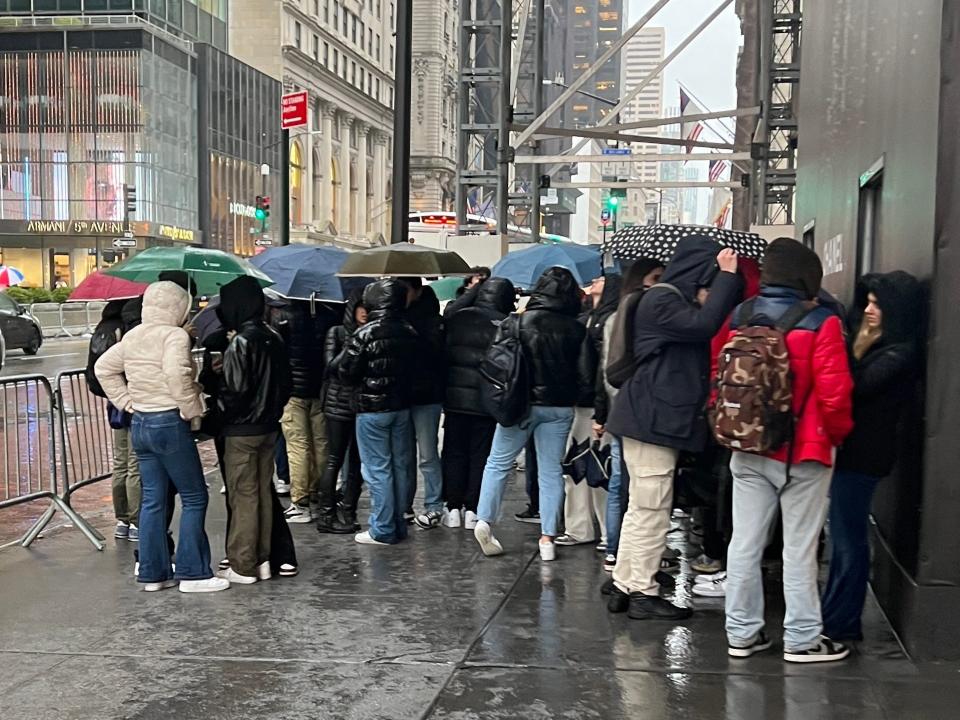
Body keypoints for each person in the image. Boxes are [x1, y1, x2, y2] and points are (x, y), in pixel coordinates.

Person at [722, 238, 854, 663]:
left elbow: (717, 373)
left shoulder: (740, 315)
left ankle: (741, 633)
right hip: (805, 453)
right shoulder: (822, 322)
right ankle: (802, 639)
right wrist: (835, 437)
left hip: (747, 447)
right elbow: (835, 395)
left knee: (744, 543)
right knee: (799, 548)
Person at [605, 238, 741, 620]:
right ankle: (643, 592)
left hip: (647, 418)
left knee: (642, 507)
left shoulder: (663, 300)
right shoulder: (663, 301)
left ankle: (625, 583)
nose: (710, 292)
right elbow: (704, 326)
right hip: (652, 421)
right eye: (709, 282)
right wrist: (729, 277)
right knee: (651, 507)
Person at [96, 280, 229, 593]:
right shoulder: (174, 335)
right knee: (195, 496)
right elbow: (176, 374)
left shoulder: (133, 336)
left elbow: (104, 368)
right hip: (169, 420)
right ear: (179, 308)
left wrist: (127, 401)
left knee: (153, 500)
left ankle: (154, 572)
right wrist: (191, 408)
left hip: (140, 421)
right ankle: (193, 572)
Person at [821, 271, 923, 642]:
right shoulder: (878, 348)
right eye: (868, 302)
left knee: (848, 540)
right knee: (843, 538)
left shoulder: (899, 354)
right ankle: (835, 615)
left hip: (864, 456)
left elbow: (855, 387)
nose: (869, 310)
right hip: (855, 452)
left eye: (878, 304)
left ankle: (843, 621)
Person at [473, 266, 591, 562]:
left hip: (519, 403)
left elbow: (494, 362)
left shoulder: (516, 322)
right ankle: (548, 539)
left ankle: (485, 521)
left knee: (498, 462)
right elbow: (586, 375)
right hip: (559, 407)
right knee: (551, 471)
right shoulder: (577, 329)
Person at [214, 276, 292, 585]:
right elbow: (284, 384)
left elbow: (236, 391)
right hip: (268, 426)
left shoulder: (241, 342)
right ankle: (262, 558)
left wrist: (216, 401)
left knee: (243, 495)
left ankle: (243, 563)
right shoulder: (273, 336)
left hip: (242, 429)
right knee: (261, 492)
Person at [337, 279, 419, 545]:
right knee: (400, 466)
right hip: (401, 406)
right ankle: (398, 522)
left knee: (377, 469)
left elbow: (346, 371)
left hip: (371, 409)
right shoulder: (408, 330)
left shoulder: (364, 333)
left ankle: (382, 528)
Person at [596, 259, 664, 572]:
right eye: (654, 277)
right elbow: (611, 369)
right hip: (632, 409)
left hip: (620, 408)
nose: (657, 283)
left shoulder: (616, 315)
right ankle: (620, 551)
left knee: (622, 483)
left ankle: (616, 550)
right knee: (628, 485)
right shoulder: (634, 315)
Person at [441, 277, 516, 529]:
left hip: (455, 398)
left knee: (453, 451)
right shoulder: (505, 324)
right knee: (480, 454)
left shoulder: (458, 317)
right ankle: (473, 509)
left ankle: (452, 507)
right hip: (486, 401)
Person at [556, 272, 622, 548]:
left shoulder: (606, 321)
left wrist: (601, 410)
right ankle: (594, 529)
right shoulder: (593, 319)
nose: (596, 280)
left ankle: (594, 530)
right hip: (589, 404)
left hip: (595, 406)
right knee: (589, 467)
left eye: (603, 279)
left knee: (592, 468)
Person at [272, 297, 338, 524]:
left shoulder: (282, 317)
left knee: (298, 446)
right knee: (322, 445)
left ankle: (300, 502)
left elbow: (278, 354)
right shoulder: (328, 315)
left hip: (292, 392)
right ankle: (320, 494)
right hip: (319, 390)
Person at [86, 296, 143, 542]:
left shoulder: (102, 328)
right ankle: (136, 520)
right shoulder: (128, 331)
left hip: (114, 404)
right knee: (134, 464)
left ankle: (121, 519)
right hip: (132, 401)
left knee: (120, 462)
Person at [318, 288, 368, 534]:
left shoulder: (370, 334)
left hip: (361, 404)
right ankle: (326, 514)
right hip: (338, 404)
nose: (365, 313)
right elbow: (331, 367)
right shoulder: (336, 333)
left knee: (358, 462)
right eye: (361, 307)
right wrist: (351, 345)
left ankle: (349, 509)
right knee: (334, 459)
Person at [399, 278, 446, 530]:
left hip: (424, 394)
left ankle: (433, 505)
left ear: (416, 291)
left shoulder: (431, 321)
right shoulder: (400, 318)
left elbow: (436, 355)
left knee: (425, 454)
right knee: (409, 455)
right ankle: (411, 505)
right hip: (415, 395)